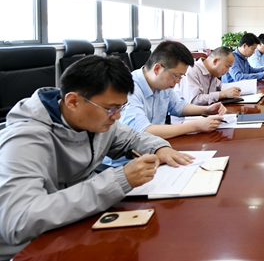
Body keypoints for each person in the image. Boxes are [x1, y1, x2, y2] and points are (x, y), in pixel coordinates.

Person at [0, 56, 194, 259]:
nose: (117, 116)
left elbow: (133, 138)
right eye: (111, 109)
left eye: (121, 108)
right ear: (73, 101)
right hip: (31, 248)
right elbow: (19, 221)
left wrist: (159, 148)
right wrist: (118, 180)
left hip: (76, 226)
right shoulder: (23, 141)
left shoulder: (95, 120)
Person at [118, 40, 227, 140]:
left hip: (156, 145)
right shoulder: (129, 89)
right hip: (133, 153)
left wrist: (207, 110)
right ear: (157, 69)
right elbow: (144, 131)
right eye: (176, 76)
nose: (178, 81)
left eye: (181, 76)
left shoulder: (162, 84)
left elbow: (178, 106)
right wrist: (196, 125)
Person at [175, 46, 241, 105]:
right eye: (227, 66)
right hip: (188, 115)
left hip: (206, 111)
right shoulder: (192, 70)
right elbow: (194, 101)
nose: (228, 71)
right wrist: (223, 94)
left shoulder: (213, 73)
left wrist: (236, 90)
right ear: (215, 61)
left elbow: (222, 87)